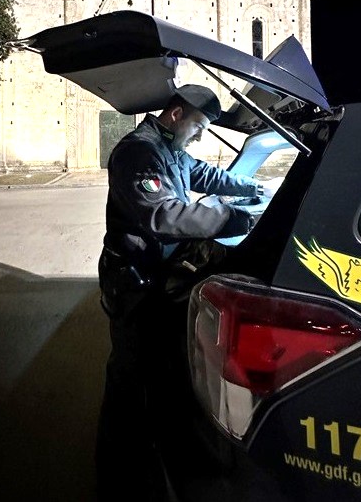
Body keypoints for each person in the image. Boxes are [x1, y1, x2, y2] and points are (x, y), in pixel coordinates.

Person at [95, 84, 260, 501]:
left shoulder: (169, 148)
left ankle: (147, 457)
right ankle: (116, 473)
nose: (200, 136)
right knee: (130, 372)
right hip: (133, 281)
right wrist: (232, 218)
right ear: (176, 114)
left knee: (154, 369)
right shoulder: (138, 152)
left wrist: (249, 189)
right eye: (199, 126)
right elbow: (164, 215)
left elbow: (204, 174)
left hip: (154, 274)